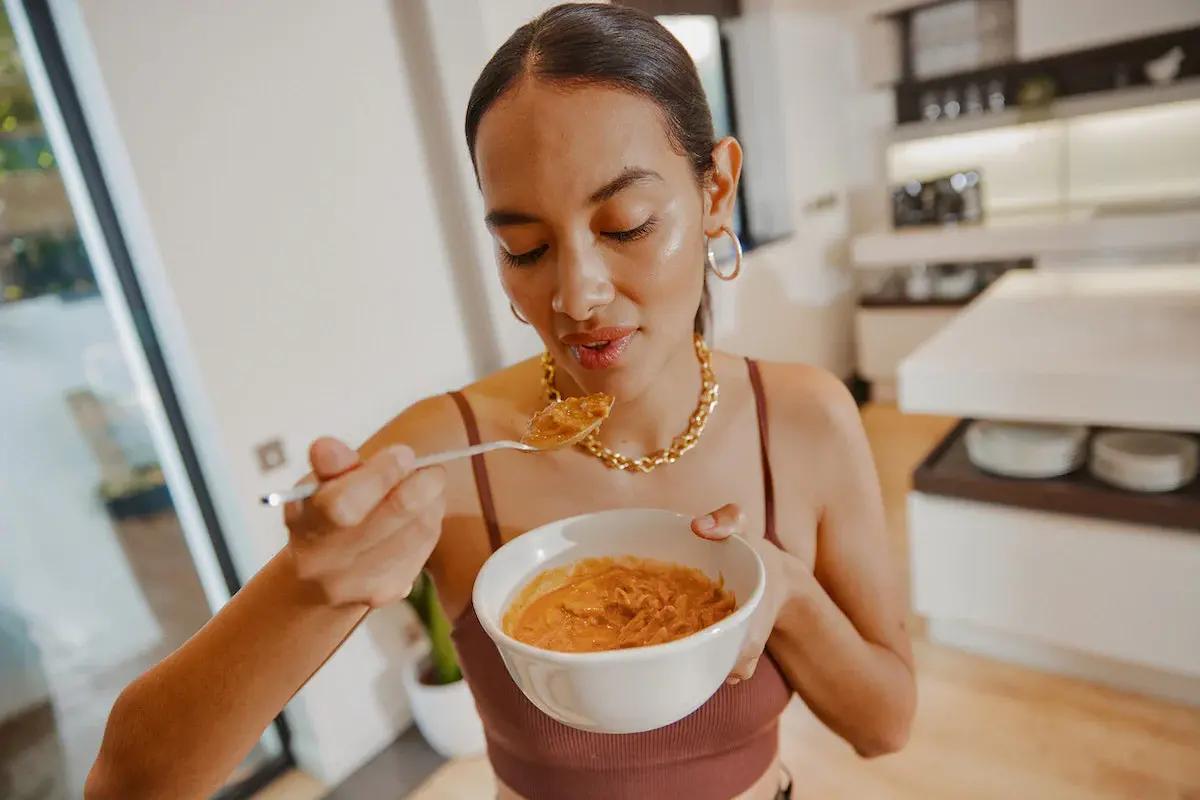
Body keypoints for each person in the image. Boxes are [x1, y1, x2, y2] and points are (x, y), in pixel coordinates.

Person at [83, 5, 915, 799]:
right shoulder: (442, 455)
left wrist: (787, 593)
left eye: (624, 225)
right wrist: (311, 589)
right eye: (526, 247)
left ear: (716, 192)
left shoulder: (803, 420)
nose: (578, 295)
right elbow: (129, 783)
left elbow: (886, 726)